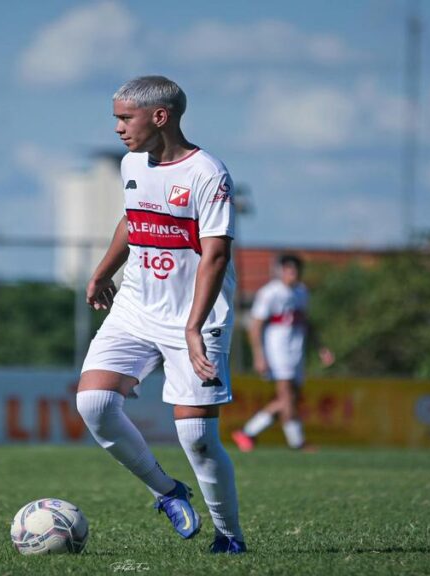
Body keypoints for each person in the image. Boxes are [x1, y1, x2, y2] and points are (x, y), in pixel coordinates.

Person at [76, 76, 246, 554]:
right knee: (94, 404)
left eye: (124, 118)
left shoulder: (208, 173)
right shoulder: (132, 163)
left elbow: (215, 256)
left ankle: (229, 538)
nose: (117, 128)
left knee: (196, 435)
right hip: (135, 305)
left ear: (160, 117)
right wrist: (102, 271)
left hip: (195, 316)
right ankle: (166, 492)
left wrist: (193, 327)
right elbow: (133, 220)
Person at [233, 254, 334, 452]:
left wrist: (320, 348)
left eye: (295, 270)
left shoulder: (302, 292)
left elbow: (307, 322)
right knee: (287, 396)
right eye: (288, 270)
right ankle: (297, 442)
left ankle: (247, 432)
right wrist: (259, 356)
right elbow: (255, 326)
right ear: (280, 271)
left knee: (290, 399)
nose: (292, 274)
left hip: (297, 351)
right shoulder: (270, 293)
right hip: (277, 351)